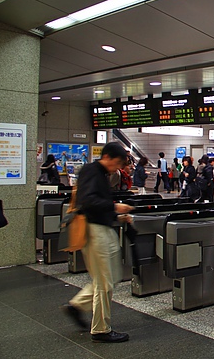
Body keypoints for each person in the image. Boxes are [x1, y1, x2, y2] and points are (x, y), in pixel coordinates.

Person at [62, 142, 133, 343]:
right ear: (108, 157)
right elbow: (89, 202)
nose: (117, 168)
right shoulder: (92, 171)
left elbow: (96, 205)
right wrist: (115, 207)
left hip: (102, 228)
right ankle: (101, 329)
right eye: (117, 163)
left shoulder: (100, 173)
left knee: (111, 277)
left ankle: (76, 306)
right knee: (105, 281)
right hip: (95, 232)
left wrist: (116, 216)